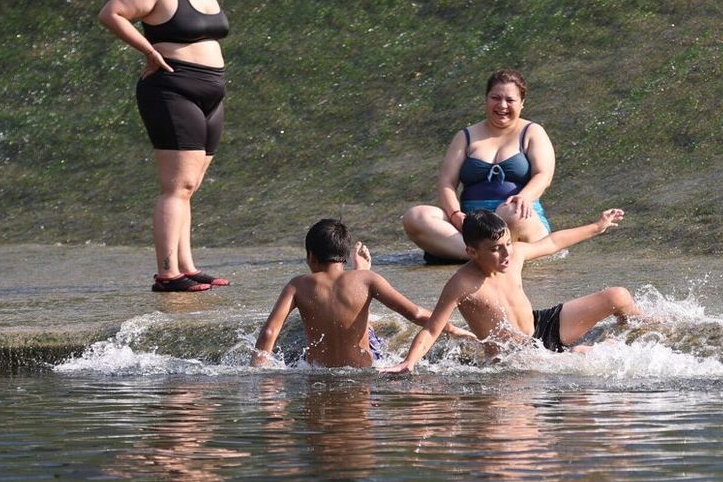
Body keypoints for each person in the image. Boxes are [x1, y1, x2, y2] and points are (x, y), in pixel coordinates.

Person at [98, 0, 231, 292]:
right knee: (176, 186)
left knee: (190, 186)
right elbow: (111, 13)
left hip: (211, 91)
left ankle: (187, 266)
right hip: (173, 88)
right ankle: (167, 273)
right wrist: (149, 50)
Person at [384, 208, 642, 374]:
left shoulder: (514, 254)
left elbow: (552, 242)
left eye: (508, 243)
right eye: (496, 248)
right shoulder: (461, 284)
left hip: (542, 326)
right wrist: (410, 362)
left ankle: (646, 327)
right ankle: (583, 350)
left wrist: (597, 226)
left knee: (618, 296)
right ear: (472, 252)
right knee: (582, 358)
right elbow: (432, 328)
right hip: (515, 356)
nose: (507, 253)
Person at [251, 219, 474, 368]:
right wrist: (453, 329)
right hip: (365, 367)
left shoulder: (297, 285)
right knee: (364, 319)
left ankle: (358, 276)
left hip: (317, 370)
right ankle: (359, 272)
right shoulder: (370, 280)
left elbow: (270, 332)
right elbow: (415, 313)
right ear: (344, 256)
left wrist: (260, 377)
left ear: (311, 257)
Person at [402, 69, 555, 263]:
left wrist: (524, 197)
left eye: (510, 100)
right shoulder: (465, 136)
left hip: (518, 219)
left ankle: (482, 253)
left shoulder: (532, 132)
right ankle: (480, 253)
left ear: (522, 103)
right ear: (486, 99)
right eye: (495, 98)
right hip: (472, 225)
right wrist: (456, 215)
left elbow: (544, 175)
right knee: (416, 216)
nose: (502, 105)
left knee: (510, 213)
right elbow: (446, 183)